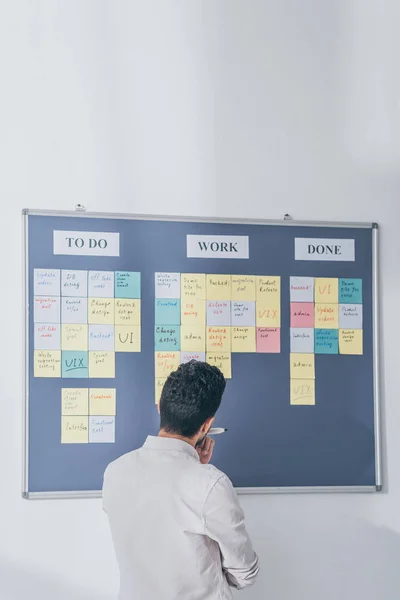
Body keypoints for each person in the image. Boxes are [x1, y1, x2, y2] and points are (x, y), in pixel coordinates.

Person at [103, 360, 259, 600]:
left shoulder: (114, 471)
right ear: (206, 425)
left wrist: (195, 466)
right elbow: (245, 573)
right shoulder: (210, 485)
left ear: (159, 407)